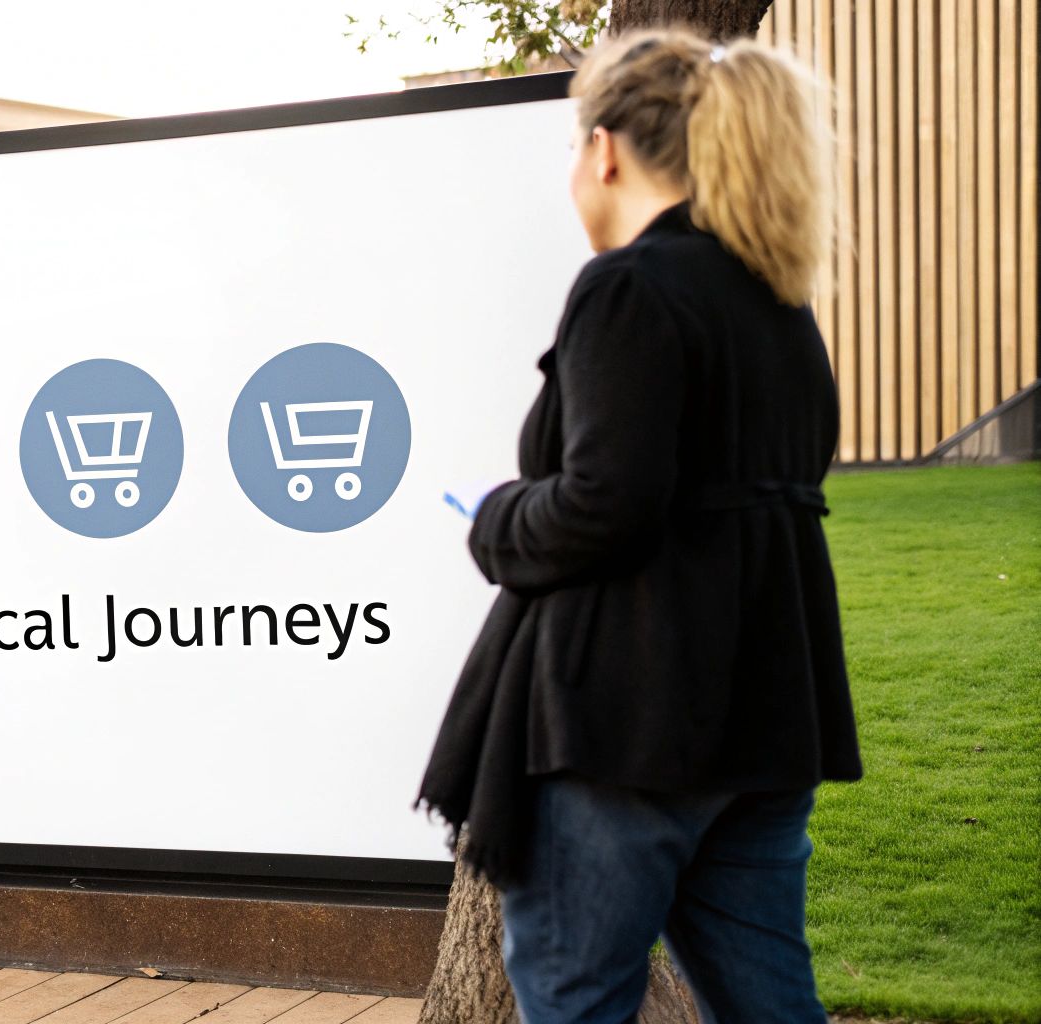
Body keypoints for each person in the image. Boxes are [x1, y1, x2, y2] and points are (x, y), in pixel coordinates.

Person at [417, 30, 862, 1023]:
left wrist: (494, 516)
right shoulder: (776, 302)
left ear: (605, 149)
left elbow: (602, 507)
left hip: (626, 723)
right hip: (764, 717)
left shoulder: (626, 288)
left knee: (576, 1000)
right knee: (768, 1001)